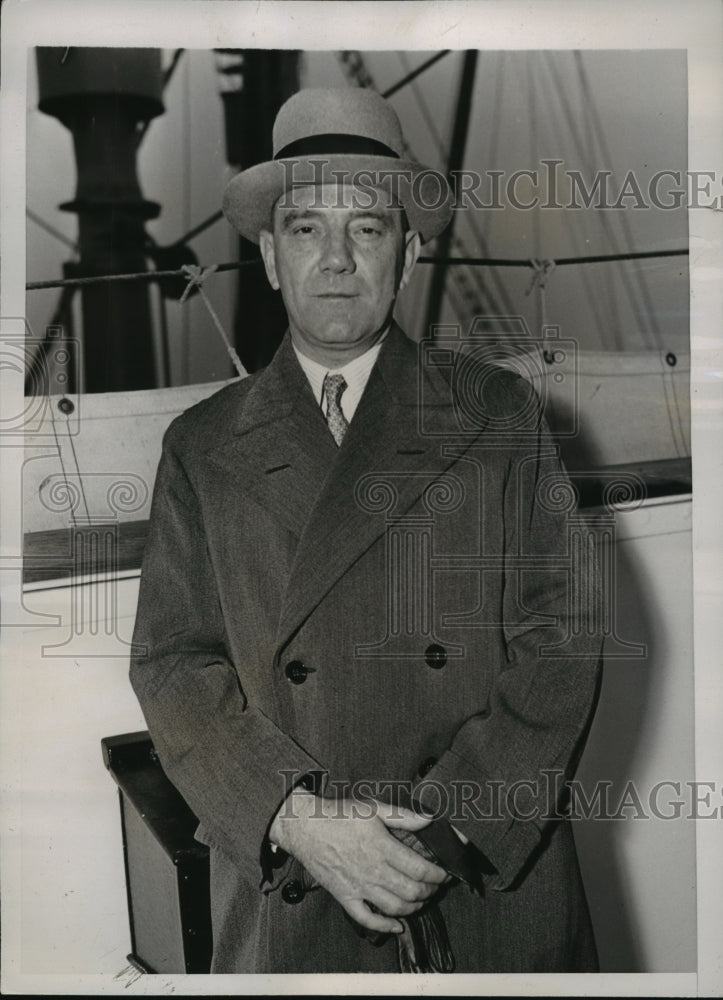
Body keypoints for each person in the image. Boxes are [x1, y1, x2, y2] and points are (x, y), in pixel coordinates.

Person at [130, 87, 604, 974]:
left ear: (410, 252)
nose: (337, 259)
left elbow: (564, 639)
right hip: (298, 880)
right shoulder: (200, 446)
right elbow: (171, 665)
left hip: (482, 876)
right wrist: (300, 821)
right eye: (307, 229)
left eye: (368, 229)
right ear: (270, 257)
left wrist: (445, 829)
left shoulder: (497, 412)